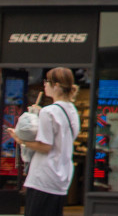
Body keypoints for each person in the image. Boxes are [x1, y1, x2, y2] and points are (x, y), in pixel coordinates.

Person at [6, 67, 81, 216]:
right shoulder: (71, 110)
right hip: (62, 176)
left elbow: (45, 146)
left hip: (44, 176)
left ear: (57, 86)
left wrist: (20, 140)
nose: (44, 85)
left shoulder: (49, 112)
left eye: (47, 82)